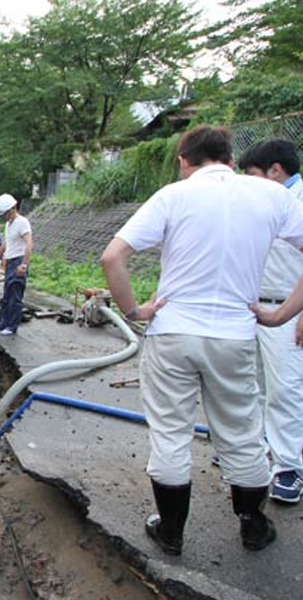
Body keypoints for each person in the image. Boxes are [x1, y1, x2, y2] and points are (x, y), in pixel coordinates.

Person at [100, 125, 303, 556]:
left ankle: (170, 530)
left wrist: (135, 310)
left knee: (170, 431)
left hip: (173, 331)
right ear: (230, 158)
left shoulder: (174, 195)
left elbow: (112, 256)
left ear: (183, 160)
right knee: (243, 433)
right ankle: (252, 525)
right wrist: (283, 313)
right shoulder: (272, 195)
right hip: (235, 333)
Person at [238, 138, 303, 504]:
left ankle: (289, 467)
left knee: (286, 389)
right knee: (254, 386)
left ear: (276, 171)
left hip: (289, 308)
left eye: (253, 174)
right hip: (254, 306)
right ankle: (262, 450)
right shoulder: (264, 204)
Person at [0, 193, 32, 336]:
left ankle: (12, 326)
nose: (3, 217)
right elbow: (7, 243)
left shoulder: (22, 222)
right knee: (7, 295)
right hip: (10, 262)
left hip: (19, 261)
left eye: (4, 213)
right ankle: (3, 323)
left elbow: (29, 244)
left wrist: (24, 264)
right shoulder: (9, 224)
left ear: (12, 209)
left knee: (15, 295)